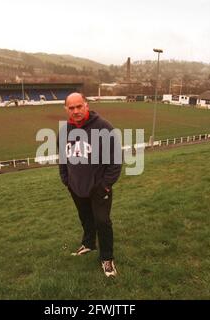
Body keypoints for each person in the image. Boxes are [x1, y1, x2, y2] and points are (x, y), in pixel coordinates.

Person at [58, 92, 122, 277]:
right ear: (66, 109)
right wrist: (66, 179)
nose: (76, 111)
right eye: (71, 108)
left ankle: (107, 258)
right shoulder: (64, 131)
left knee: (102, 221)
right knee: (86, 217)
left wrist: (106, 184)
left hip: (99, 187)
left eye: (79, 106)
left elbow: (116, 160)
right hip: (76, 186)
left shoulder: (104, 127)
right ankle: (88, 244)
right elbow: (63, 158)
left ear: (86, 105)